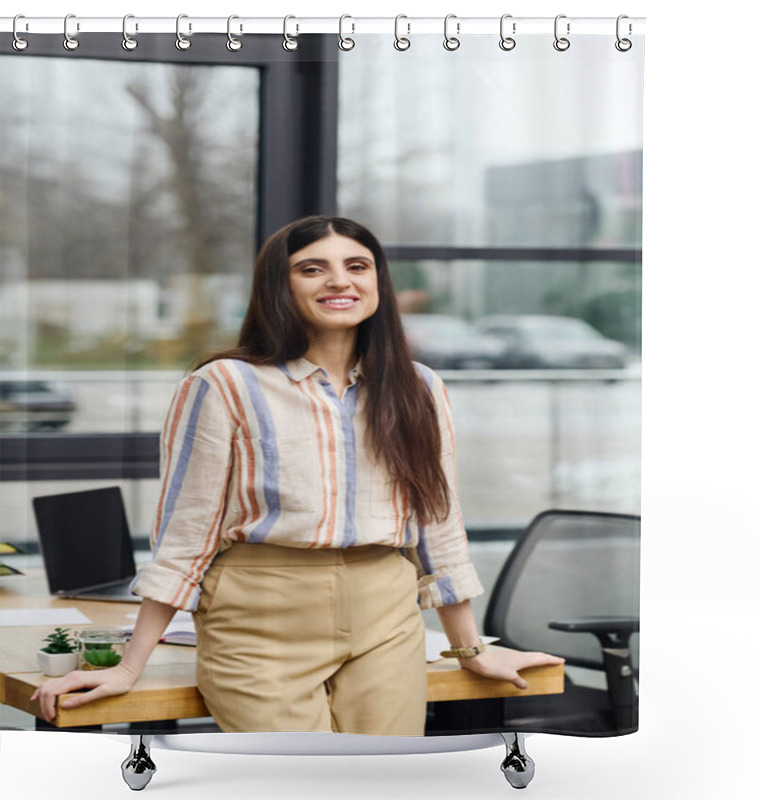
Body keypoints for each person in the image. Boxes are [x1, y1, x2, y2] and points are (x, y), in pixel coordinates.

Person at [33, 216, 563, 735]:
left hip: (386, 612)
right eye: (312, 269)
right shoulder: (224, 385)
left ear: (377, 280)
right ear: (278, 288)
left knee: (384, 784)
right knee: (293, 784)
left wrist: (471, 651)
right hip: (260, 615)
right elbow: (187, 536)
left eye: (357, 265)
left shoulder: (420, 388)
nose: (339, 280)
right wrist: (129, 666)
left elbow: (438, 526)